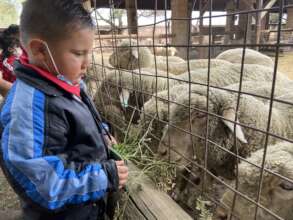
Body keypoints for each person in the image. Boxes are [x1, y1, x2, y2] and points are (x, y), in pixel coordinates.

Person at [0, 0, 128, 219]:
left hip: (87, 208)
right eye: (79, 53)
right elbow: (41, 184)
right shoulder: (27, 108)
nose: (88, 63)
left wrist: (102, 134)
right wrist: (103, 177)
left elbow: (80, 120)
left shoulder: (66, 80)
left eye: (90, 52)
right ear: (40, 50)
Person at [0, 25, 22, 96]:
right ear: (11, 49)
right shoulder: (11, 64)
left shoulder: (3, 56)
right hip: (14, 95)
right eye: (19, 46)